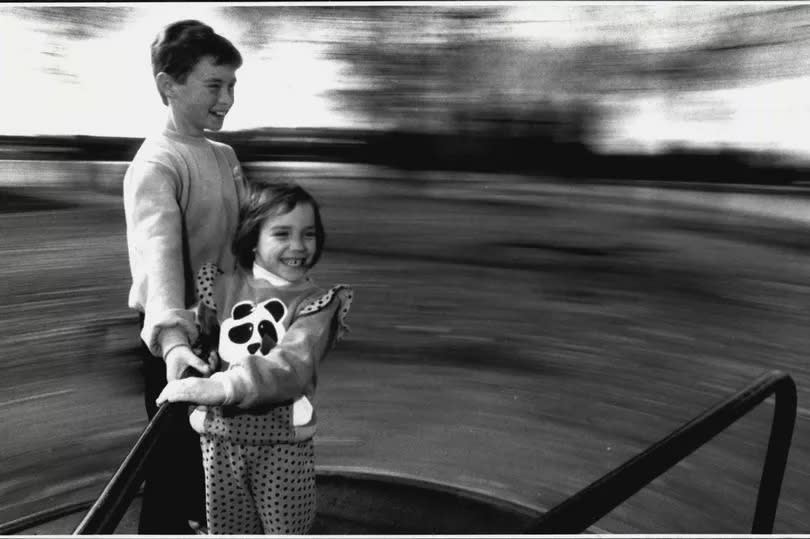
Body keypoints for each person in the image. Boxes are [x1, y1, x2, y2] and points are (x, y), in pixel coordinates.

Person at [156, 181, 353, 535]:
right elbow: (197, 326)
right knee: (228, 529)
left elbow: (293, 363)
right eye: (282, 233)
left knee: (285, 530)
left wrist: (225, 386)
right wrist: (179, 343)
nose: (298, 246)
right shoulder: (222, 287)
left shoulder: (316, 304)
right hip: (219, 440)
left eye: (308, 234)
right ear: (252, 239)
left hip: (281, 444)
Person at [122, 19, 246, 534]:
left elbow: (241, 244)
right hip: (178, 347)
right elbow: (159, 257)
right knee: (172, 469)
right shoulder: (157, 163)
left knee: (219, 463)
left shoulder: (224, 155)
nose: (227, 99)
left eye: (232, 85)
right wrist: (175, 346)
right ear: (168, 86)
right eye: (214, 86)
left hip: (228, 333)